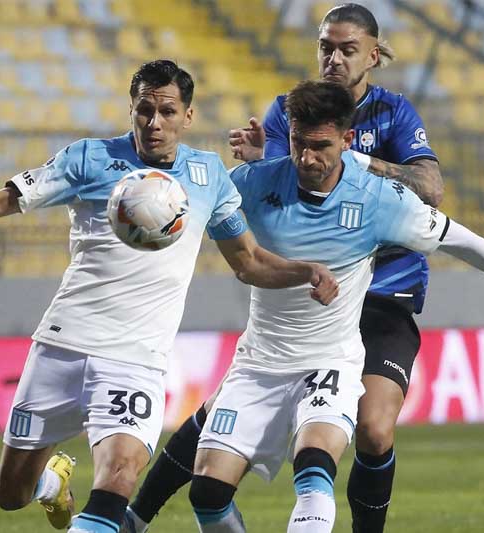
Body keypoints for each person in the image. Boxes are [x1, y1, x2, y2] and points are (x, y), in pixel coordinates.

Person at [0, 60, 338, 533]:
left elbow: (249, 261)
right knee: (11, 495)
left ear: (188, 116)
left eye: (167, 111)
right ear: (131, 109)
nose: (155, 123)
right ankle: (52, 486)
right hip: (63, 345)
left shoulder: (208, 176)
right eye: (144, 110)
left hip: (135, 358)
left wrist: (305, 271)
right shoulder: (89, 159)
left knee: (119, 475)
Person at [188, 80, 484, 533]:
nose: (306, 159)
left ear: (347, 140)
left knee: (313, 469)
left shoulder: (378, 201)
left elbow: (461, 241)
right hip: (258, 364)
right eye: (298, 143)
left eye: (320, 146)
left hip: (329, 361)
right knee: (208, 496)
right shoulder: (254, 184)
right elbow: (193, 227)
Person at [125, 5, 444, 532]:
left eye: (346, 49)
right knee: (221, 411)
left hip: (386, 289)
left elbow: (431, 190)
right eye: (325, 47)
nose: (334, 58)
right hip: (311, 293)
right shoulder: (290, 110)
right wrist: (258, 162)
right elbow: (281, 183)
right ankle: (137, 515)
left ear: (373, 54)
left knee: (375, 430)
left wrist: (356, 161)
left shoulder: (394, 113)